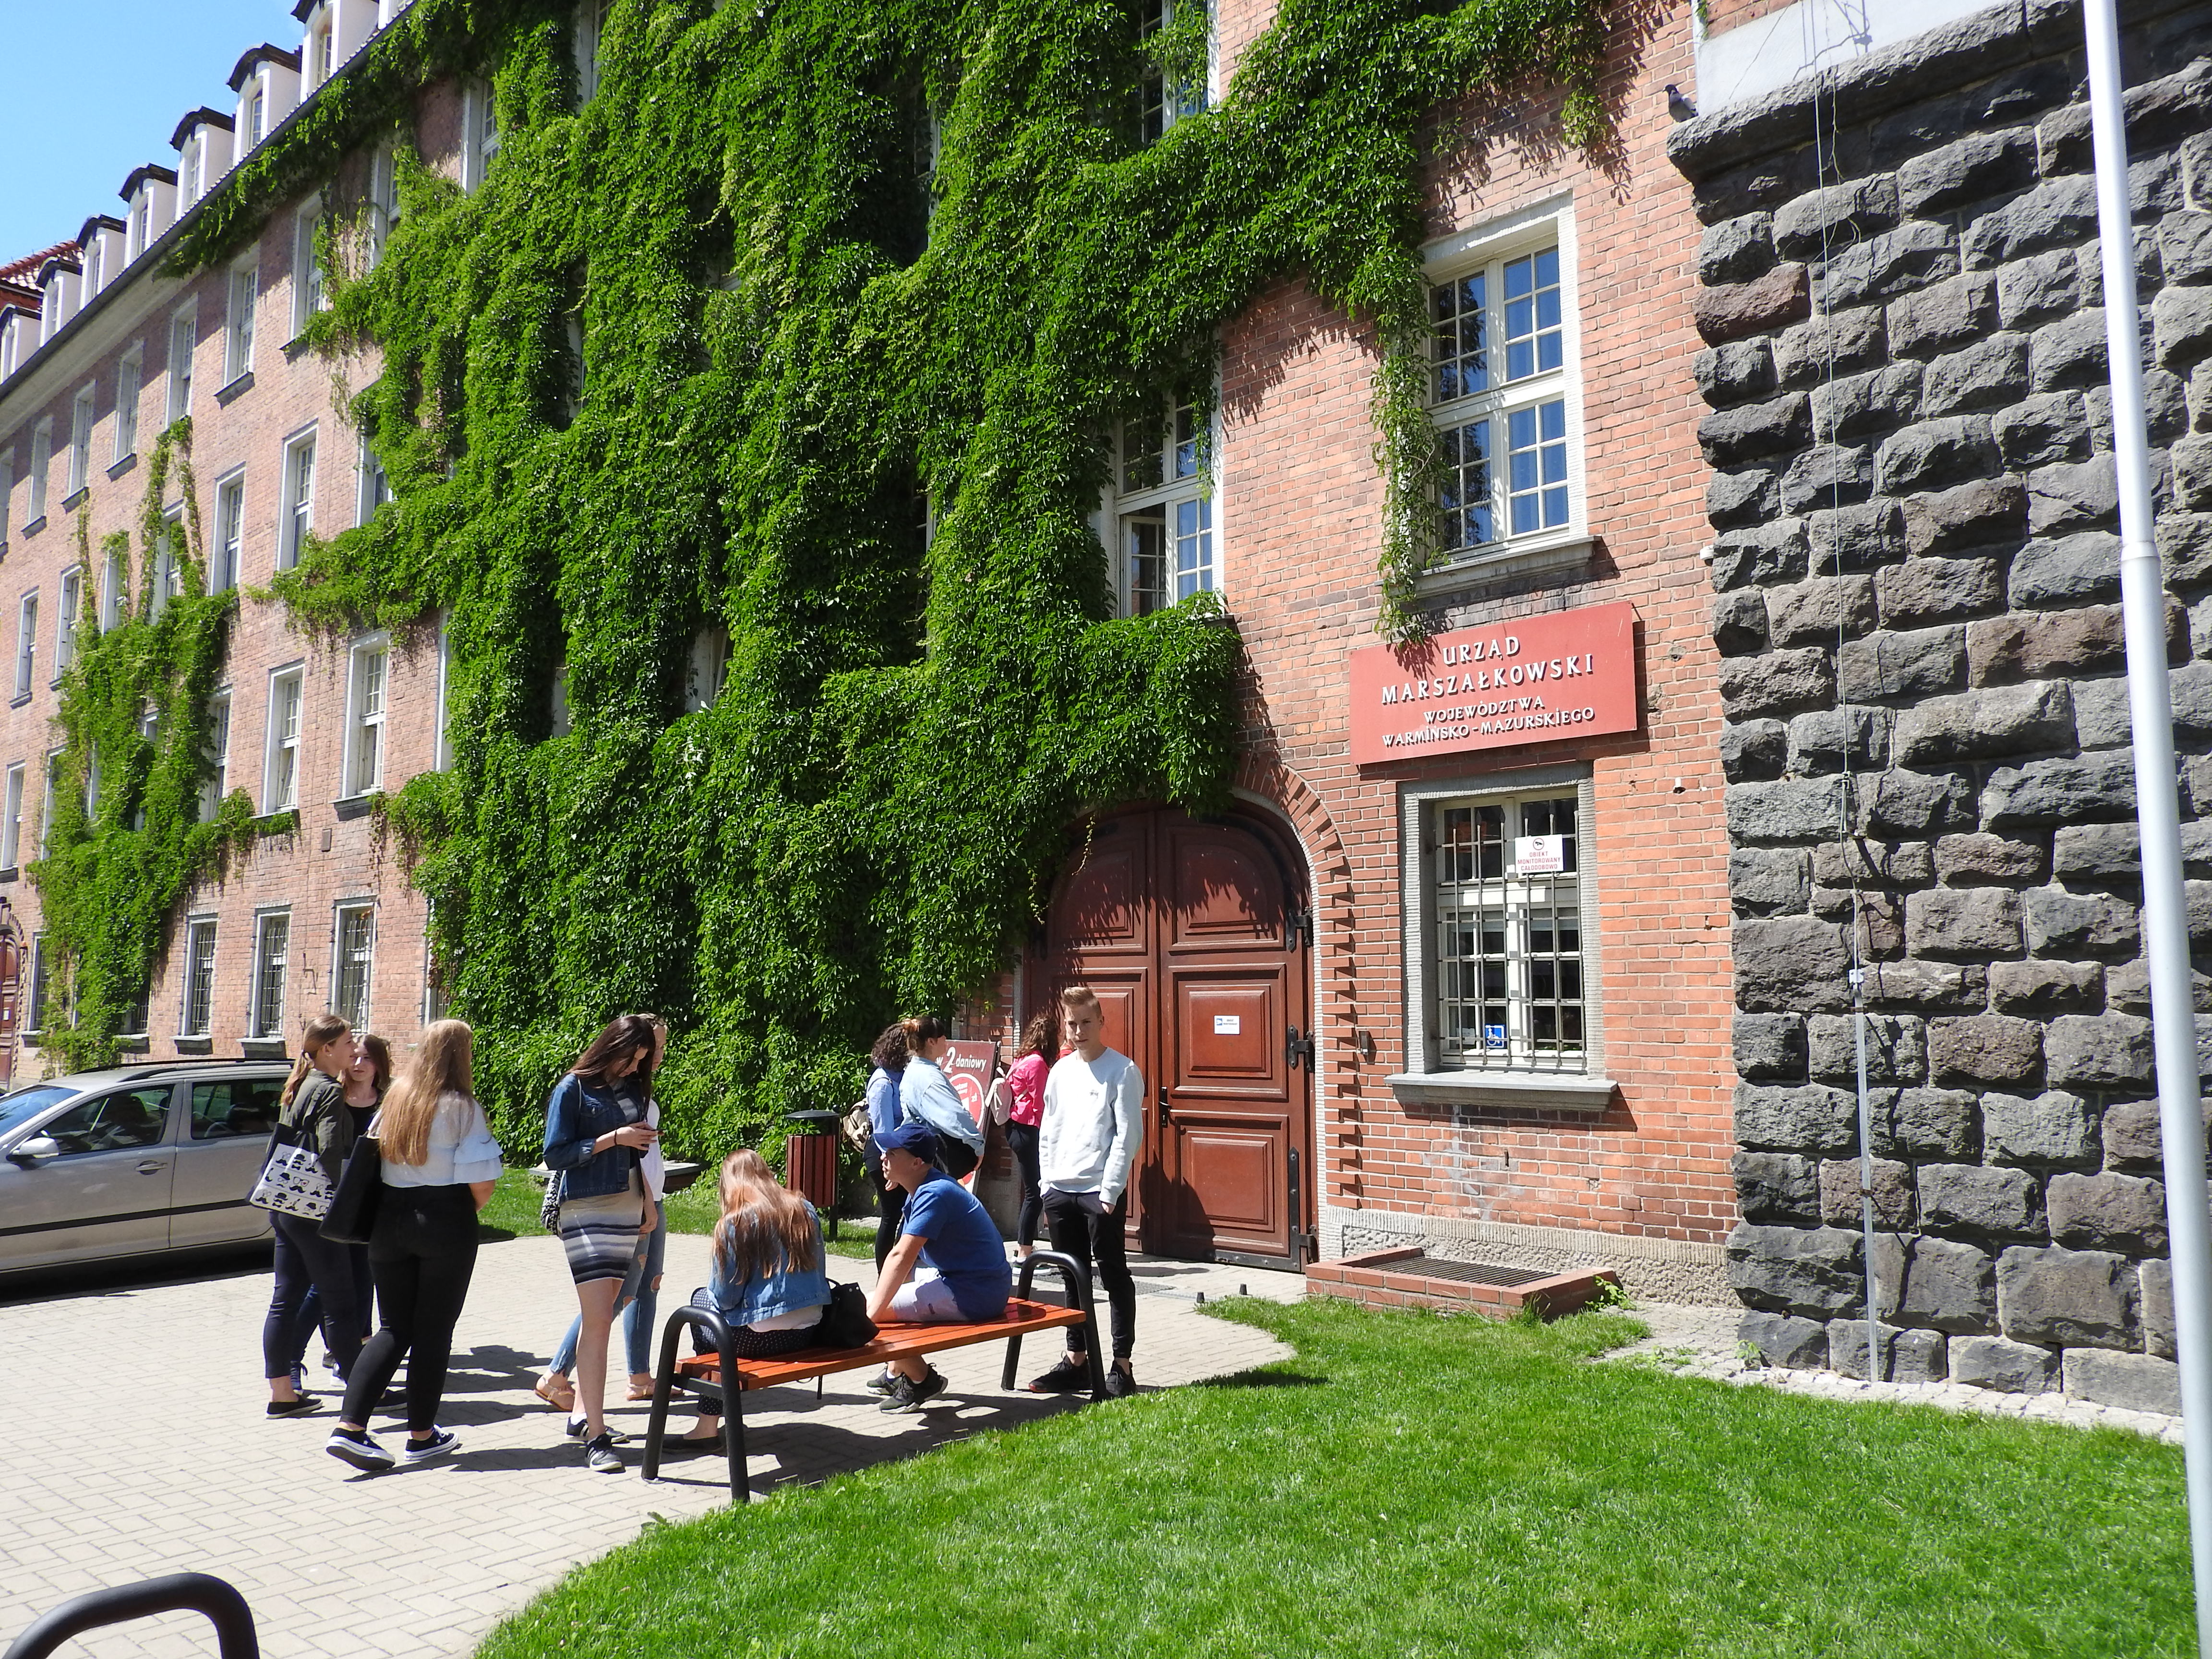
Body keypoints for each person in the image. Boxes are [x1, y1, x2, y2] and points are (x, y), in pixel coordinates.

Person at [324, 1020, 503, 1472]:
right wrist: (455, 1214)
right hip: (444, 1219)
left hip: (389, 1220)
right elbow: (482, 1183)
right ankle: (421, 1436)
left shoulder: (396, 1097)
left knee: (392, 1328)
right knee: (434, 1331)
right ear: (461, 1055)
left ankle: (349, 1427)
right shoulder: (462, 1106)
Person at [541, 1013, 662, 1473]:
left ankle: (585, 1418)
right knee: (597, 1321)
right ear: (613, 1046)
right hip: (586, 1210)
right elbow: (555, 1153)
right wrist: (613, 1138)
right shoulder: (572, 1088)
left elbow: (638, 1153)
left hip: (629, 1205)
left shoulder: (633, 1089)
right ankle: (596, 1435)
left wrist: (648, 1202)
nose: (634, 1068)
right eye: (631, 1058)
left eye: (641, 1061)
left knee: (605, 1316)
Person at [1029, 984, 1143, 1399]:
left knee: (1113, 1274)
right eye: (1072, 1024)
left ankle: (1121, 1366)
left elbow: (1128, 1136)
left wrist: (1110, 1191)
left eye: (1086, 1023)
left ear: (1101, 1022)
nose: (1078, 1032)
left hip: (1099, 1193)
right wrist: (1046, 1186)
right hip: (1060, 1191)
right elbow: (1049, 1131)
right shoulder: (1060, 1072)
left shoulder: (1122, 1071)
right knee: (1071, 1276)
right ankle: (1076, 1361)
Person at [674, 1148, 832, 1447]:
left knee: (700, 1304)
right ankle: (719, 1416)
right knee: (711, 1318)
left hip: (760, 1339)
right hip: (809, 1332)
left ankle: (708, 1425)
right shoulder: (804, 1209)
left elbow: (725, 1298)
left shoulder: (734, 1223)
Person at [866, 1121, 1011, 1413]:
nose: (883, 1157)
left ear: (917, 1163)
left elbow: (901, 1256)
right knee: (881, 1300)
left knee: (866, 1313)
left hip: (973, 1293)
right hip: (977, 1283)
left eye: (892, 1153)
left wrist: (869, 1319)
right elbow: (904, 1264)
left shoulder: (933, 1194)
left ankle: (922, 1380)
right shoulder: (926, 1187)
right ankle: (896, 1370)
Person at [262, 1013, 363, 1416]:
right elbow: (329, 1152)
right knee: (342, 1304)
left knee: (284, 1300)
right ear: (327, 1049)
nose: (354, 1049)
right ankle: (364, 1393)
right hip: (314, 1211)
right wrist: (344, 1200)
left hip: (285, 1204)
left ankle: (282, 1394)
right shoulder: (329, 1090)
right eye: (348, 1042)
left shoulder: (300, 1083)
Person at [897, 1015, 985, 1181]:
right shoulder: (929, 1078)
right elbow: (953, 1116)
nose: (946, 1039)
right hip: (937, 1160)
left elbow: (909, 1121)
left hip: (922, 1158)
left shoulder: (913, 1071)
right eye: (942, 1036)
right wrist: (977, 1144)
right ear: (931, 1042)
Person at [1002, 1010, 1058, 1259]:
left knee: (1032, 1191)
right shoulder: (1036, 1063)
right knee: (1035, 1194)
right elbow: (1042, 1103)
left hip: (1014, 1128)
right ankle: (1024, 1252)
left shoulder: (1020, 1059)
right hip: (1029, 1130)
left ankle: (1024, 1248)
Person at [864, 1023, 909, 1272]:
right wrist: (891, 1166)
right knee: (891, 1216)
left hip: (900, 1153)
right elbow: (884, 1131)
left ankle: (901, 1270)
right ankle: (885, 1275)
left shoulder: (902, 1076)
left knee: (906, 1212)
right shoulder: (882, 1083)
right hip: (884, 1154)